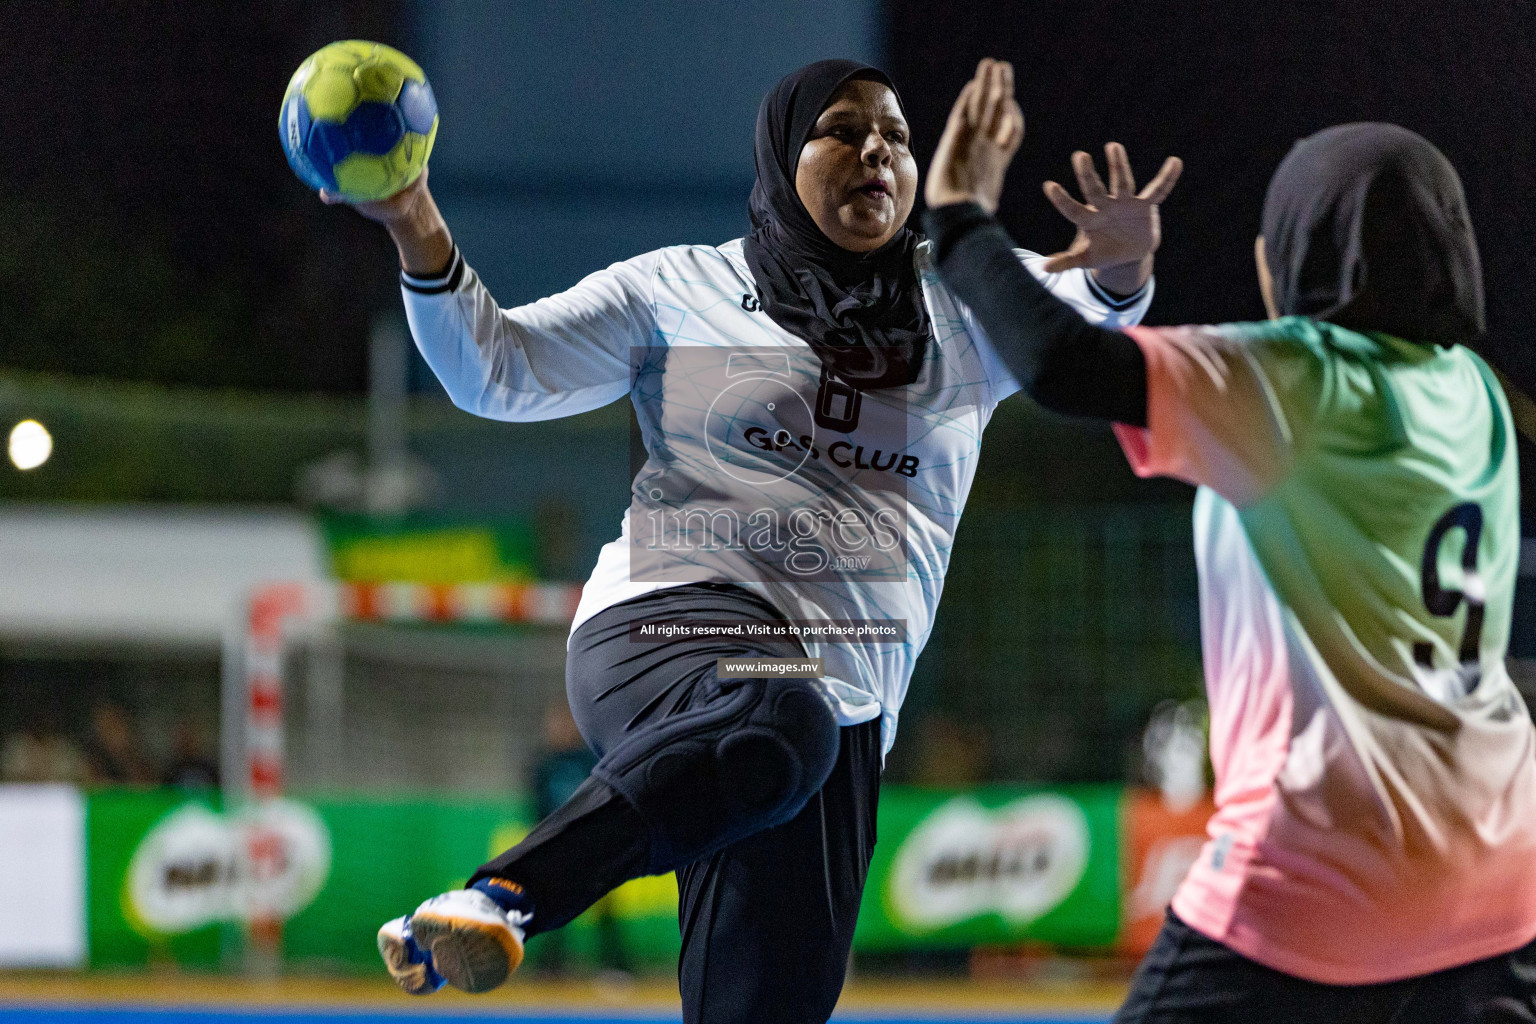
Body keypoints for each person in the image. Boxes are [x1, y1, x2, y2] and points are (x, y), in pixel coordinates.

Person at [336, 59, 1176, 1023]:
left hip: (846, 703)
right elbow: (496, 371)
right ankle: (505, 896)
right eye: (844, 129)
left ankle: (532, 888)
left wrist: (1120, 264)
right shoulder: (679, 288)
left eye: (898, 137)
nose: (877, 151)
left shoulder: (964, 304)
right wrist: (415, 222)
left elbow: (1086, 335)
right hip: (663, 631)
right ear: (782, 155)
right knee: (782, 716)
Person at [924, 58, 1536, 1023]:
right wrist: (1123, 279)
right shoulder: (1475, 394)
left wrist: (959, 214)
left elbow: (1060, 365)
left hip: (1318, 870)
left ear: (1297, 254)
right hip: (1496, 883)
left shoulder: (1294, 378)